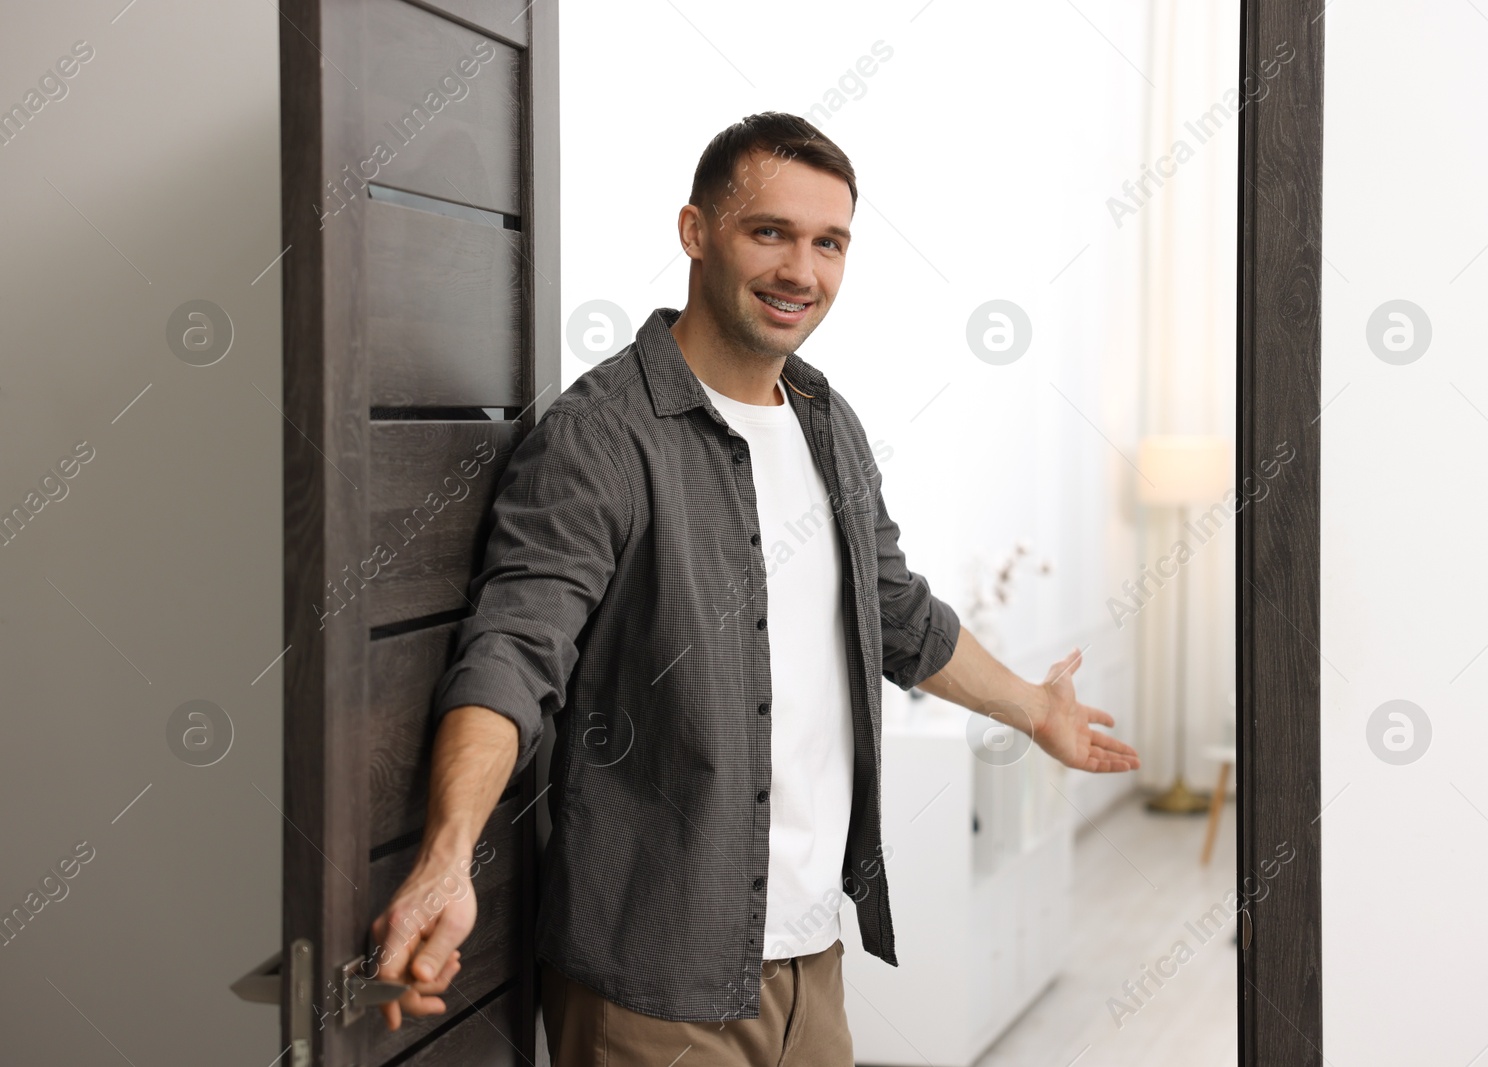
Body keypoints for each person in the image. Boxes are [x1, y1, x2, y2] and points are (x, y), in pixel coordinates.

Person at [368, 110, 1140, 1065]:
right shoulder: (600, 437)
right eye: (768, 232)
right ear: (696, 231)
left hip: (811, 963)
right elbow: (514, 651)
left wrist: (1032, 709)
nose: (801, 272)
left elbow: (894, 611)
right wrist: (448, 854)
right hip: (653, 978)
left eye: (830, 243)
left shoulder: (826, 419)